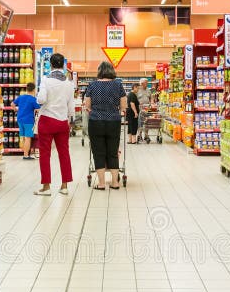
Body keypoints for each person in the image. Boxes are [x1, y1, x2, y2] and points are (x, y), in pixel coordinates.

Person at [35, 53, 75, 196]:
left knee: (45, 154)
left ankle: (46, 187)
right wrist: (70, 121)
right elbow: (71, 107)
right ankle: (64, 186)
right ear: (63, 65)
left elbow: (41, 99)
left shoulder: (45, 80)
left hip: (47, 120)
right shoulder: (69, 84)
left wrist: (40, 96)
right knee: (64, 153)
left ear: (50, 65)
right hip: (62, 121)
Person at [84, 61, 127, 190]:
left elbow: (87, 106)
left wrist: (96, 111)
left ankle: (102, 183)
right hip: (113, 121)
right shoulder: (118, 85)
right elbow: (123, 106)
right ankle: (115, 182)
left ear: (99, 71)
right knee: (113, 152)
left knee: (98, 152)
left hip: (96, 121)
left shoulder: (92, 85)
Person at [12, 82, 40, 160]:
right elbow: (38, 109)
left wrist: (15, 110)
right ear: (34, 90)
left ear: (26, 89)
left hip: (20, 119)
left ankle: (25, 153)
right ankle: (26, 155)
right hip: (28, 121)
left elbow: (12, 104)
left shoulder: (21, 97)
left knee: (24, 138)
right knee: (28, 138)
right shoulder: (33, 99)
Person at [136, 78, 151, 143]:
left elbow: (151, 98)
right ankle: (140, 135)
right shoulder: (137, 90)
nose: (147, 84)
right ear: (142, 83)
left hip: (147, 109)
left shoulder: (148, 90)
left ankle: (146, 136)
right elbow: (134, 100)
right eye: (146, 83)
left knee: (147, 122)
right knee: (140, 123)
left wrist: (151, 103)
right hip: (140, 109)